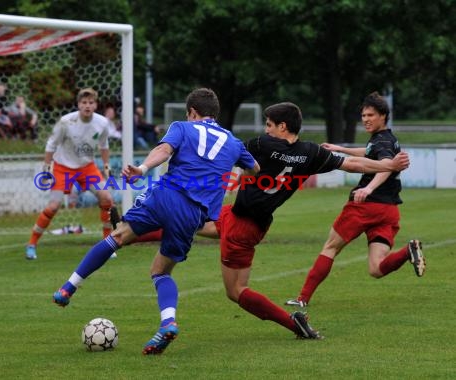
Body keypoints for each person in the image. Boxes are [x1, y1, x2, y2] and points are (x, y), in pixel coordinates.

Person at [116, 101, 410, 340]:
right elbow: (354, 164)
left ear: (282, 127)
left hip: (243, 225)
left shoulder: (264, 144)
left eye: (269, 124)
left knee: (236, 291)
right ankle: (129, 230)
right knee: (191, 223)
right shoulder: (310, 153)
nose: (266, 129)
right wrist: (387, 164)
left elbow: (225, 152)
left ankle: (293, 322)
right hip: (249, 220)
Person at [52, 88, 260, 355]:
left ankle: (68, 288)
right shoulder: (234, 143)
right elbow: (255, 169)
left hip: (166, 196)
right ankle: (168, 322)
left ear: (193, 113)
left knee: (117, 237)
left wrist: (142, 169)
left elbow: (164, 149)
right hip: (194, 214)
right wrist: (237, 179)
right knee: (161, 271)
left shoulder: (183, 127)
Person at [285, 92, 425, 308]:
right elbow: (370, 152)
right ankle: (408, 251)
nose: (366, 119)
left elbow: (386, 165)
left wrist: (367, 188)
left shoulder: (383, 142)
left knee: (330, 247)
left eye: (371, 115)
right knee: (376, 269)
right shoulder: (386, 138)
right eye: (363, 115)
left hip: (365, 206)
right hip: (389, 211)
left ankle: (302, 299)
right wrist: (340, 148)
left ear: (383, 116)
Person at [25, 87, 114, 260]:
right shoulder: (66, 122)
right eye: (84, 102)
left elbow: (104, 146)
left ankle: (107, 245)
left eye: (91, 102)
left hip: (87, 167)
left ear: (96, 105)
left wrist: (106, 166)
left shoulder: (102, 123)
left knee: (107, 198)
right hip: (62, 167)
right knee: (53, 206)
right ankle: (31, 244)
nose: (87, 106)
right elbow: (51, 144)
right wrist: (46, 166)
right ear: (78, 104)